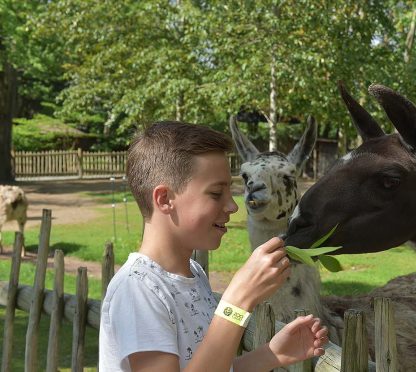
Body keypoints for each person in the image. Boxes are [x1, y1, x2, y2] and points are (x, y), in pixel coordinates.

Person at [99, 121, 328, 371]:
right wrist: (237, 302)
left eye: (231, 191)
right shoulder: (138, 291)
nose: (233, 206)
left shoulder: (193, 274)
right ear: (165, 199)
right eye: (216, 194)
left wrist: (271, 355)